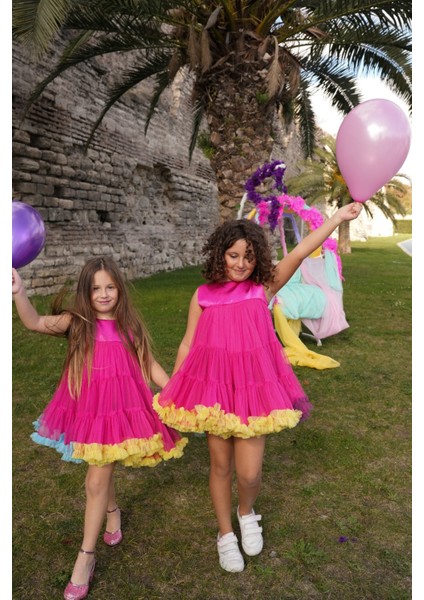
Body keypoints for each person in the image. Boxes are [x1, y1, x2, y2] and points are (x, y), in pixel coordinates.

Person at [154, 202, 362, 573]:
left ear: (258, 259)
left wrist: (336, 218)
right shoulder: (203, 295)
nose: (240, 263)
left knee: (249, 473)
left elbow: (300, 251)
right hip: (215, 393)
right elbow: (187, 343)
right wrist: (175, 388)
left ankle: (246, 513)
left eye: (248, 257)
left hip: (254, 391)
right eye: (233, 255)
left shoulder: (262, 287)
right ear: (220, 255)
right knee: (221, 466)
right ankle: (225, 534)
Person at [12, 257, 188, 600]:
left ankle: (86, 553)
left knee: (97, 476)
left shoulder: (129, 326)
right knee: (99, 473)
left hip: (121, 410)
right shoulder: (77, 323)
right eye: (96, 288)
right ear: (86, 292)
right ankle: (105, 520)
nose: (104, 294)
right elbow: (34, 322)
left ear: (119, 288)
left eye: (110, 287)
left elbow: (149, 364)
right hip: (90, 411)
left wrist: (172, 393)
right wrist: (19, 292)